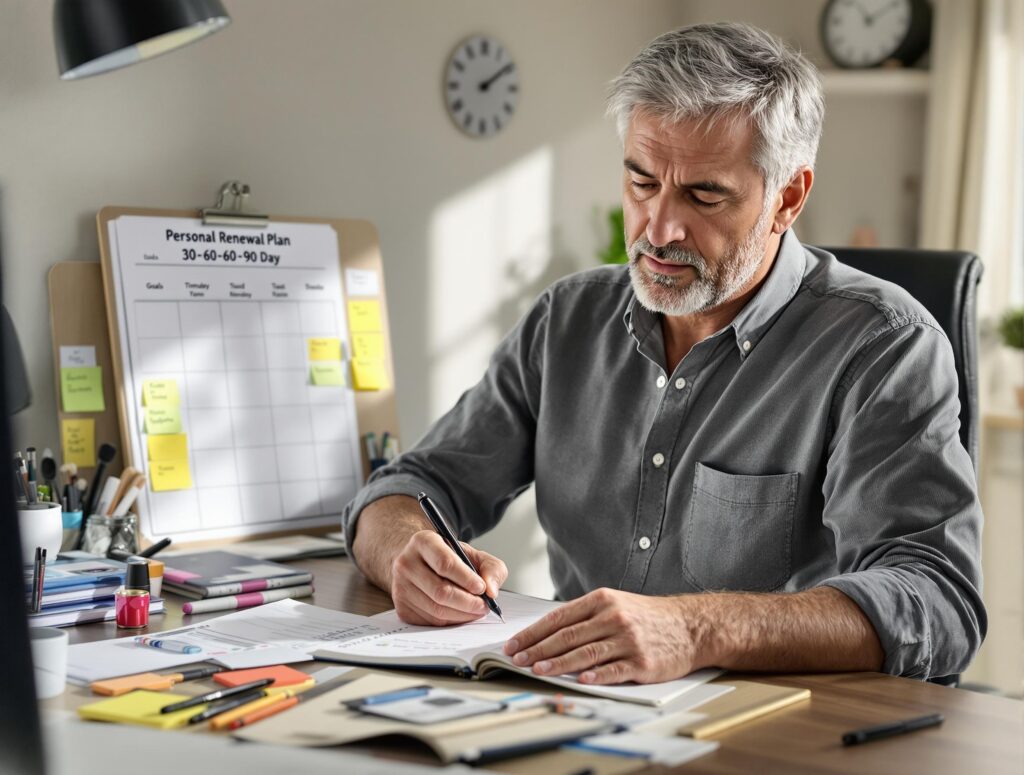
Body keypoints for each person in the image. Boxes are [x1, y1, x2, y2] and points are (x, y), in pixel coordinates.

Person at [342, 22, 985, 685]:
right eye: (642, 182)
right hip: (573, 710)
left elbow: (937, 600)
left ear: (787, 197)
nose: (658, 228)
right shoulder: (568, 320)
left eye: (704, 195)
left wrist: (694, 628)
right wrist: (403, 551)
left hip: (778, 731)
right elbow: (403, 488)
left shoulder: (882, 344)